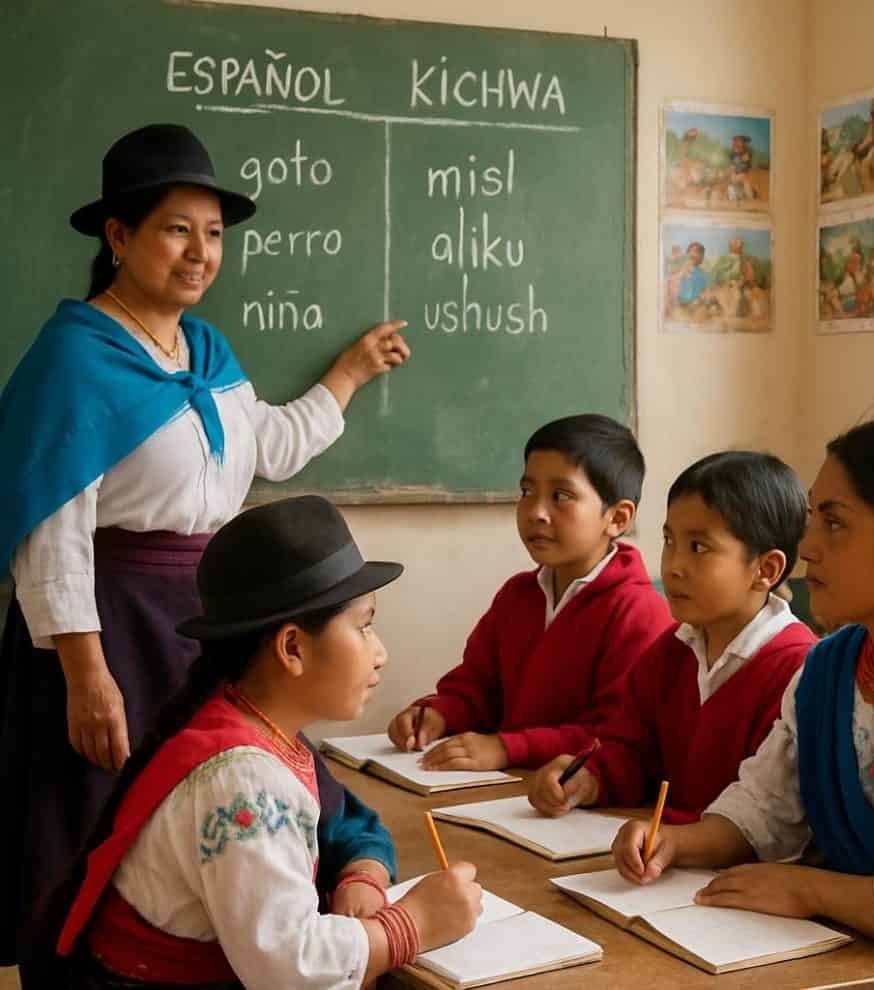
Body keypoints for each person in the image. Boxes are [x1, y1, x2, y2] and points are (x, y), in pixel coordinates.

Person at [0, 123, 410, 985]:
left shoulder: (208, 353)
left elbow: (268, 446)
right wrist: (85, 671)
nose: (201, 252)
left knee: (213, 812)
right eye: (177, 230)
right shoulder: (74, 356)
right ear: (119, 236)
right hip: (106, 626)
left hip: (200, 619)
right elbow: (52, 526)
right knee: (99, 821)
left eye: (214, 233)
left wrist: (348, 373)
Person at [612, 416, 874, 983]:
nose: (808, 546)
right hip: (854, 957)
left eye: (834, 524)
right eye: (813, 518)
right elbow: (764, 808)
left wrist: (809, 889)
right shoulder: (828, 668)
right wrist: (674, 842)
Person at [53, 495, 481, 988]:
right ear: (292, 647)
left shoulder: (253, 732)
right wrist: (417, 922)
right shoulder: (241, 779)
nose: (380, 652)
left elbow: (348, 822)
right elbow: (288, 970)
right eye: (364, 626)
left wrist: (362, 872)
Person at [528, 451, 815, 822]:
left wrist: (674, 837)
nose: (674, 566)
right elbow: (630, 752)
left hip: (716, 854)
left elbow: (771, 820)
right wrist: (587, 779)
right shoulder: (671, 652)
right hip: (659, 848)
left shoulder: (798, 669)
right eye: (669, 541)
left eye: (699, 548)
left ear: (766, 569)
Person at [387, 414, 672, 771]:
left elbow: (615, 734)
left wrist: (507, 748)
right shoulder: (518, 595)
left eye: (561, 496)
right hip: (504, 787)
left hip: (574, 796)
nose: (536, 512)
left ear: (617, 518)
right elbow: (477, 689)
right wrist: (438, 714)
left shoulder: (639, 612)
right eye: (527, 492)